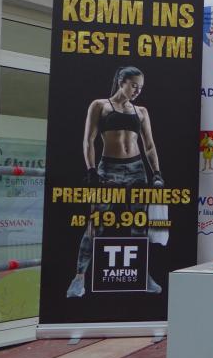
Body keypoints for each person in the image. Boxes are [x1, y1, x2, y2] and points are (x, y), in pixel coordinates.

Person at [66, 66, 164, 298]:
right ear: (122, 82)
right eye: (134, 85)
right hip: (108, 170)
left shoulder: (141, 111)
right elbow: (88, 140)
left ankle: (142, 275)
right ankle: (79, 278)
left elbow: (149, 146)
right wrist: (91, 170)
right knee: (96, 223)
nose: (137, 91)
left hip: (137, 170)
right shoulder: (100, 105)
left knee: (139, 224)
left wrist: (157, 173)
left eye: (140, 87)